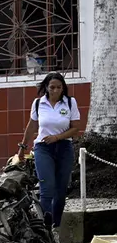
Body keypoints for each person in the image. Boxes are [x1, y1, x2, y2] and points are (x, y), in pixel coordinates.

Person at [20, 72, 82, 232]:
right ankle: (44, 228)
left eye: (59, 87)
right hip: (43, 148)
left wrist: (57, 137)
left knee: (61, 191)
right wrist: (22, 147)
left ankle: (56, 225)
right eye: (52, 87)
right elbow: (32, 126)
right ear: (46, 88)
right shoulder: (37, 103)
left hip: (64, 148)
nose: (55, 90)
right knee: (46, 188)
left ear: (63, 88)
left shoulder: (69, 102)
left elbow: (75, 128)